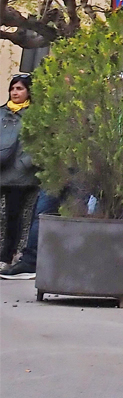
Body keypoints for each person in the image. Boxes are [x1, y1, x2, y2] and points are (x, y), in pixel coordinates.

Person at [0, 73, 39, 268]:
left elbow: (40, 144)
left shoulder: (36, 115)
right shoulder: (1, 112)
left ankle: (7, 256)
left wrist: (24, 164)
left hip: (20, 175)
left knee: (14, 217)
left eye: (20, 88)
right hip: (1, 169)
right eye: (13, 88)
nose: (15, 92)